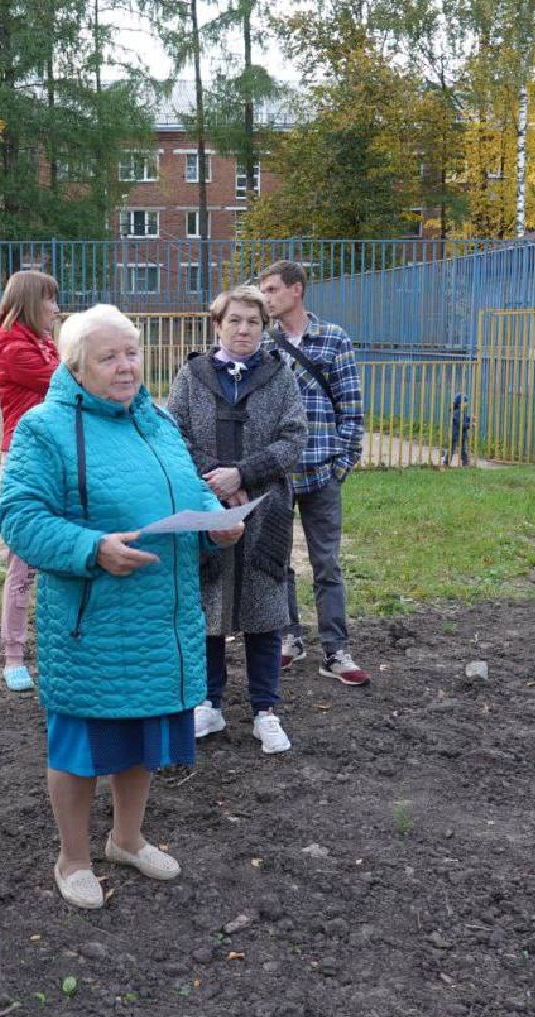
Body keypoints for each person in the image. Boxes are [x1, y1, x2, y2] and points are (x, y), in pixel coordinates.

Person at [0, 304, 243, 909]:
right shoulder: (44, 429)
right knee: (82, 747)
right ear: (77, 366)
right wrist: (92, 548)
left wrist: (217, 526)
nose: (125, 366)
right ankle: (73, 858)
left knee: (144, 735)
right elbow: (19, 518)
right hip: (92, 622)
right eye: (108, 357)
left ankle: (127, 840)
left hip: (162, 615)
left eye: (130, 352)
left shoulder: (155, 420)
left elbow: (185, 491)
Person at [167, 285, 308, 755]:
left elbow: (294, 438)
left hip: (264, 509)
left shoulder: (280, 375)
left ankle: (266, 710)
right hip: (206, 506)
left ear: (263, 327)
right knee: (209, 605)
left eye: (253, 321)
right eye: (235, 320)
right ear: (217, 325)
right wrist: (214, 484)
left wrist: (245, 474)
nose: (244, 329)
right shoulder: (192, 374)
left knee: (264, 611)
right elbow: (175, 436)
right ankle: (208, 702)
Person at [258, 259, 372, 687]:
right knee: (278, 561)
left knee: (326, 563)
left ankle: (335, 649)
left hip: (323, 470)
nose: (266, 298)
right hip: (278, 473)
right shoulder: (264, 344)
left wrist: (342, 463)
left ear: (296, 290)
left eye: (272, 290)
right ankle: (289, 638)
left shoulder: (333, 339)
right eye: (264, 291)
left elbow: (351, 406)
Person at [0, 270, 62, 692]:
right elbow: (72, 383)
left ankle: (59, 648)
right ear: (31, 303)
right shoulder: (16, 350)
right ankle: (13, 655)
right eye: (50, 300)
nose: (56, 308)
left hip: (57, 456)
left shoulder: (42, 344)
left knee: (64, 554)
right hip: (27, 460)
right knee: (24, 560)